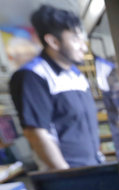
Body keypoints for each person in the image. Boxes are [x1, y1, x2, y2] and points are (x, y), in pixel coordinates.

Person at [9, 5, 104, 170]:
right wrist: (66, 174)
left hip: (91, 165)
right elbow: (36, 133)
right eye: (75, 39)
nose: (83, 46)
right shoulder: (33, 76)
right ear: (53, 41)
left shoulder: (75, 74)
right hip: (68, 175)